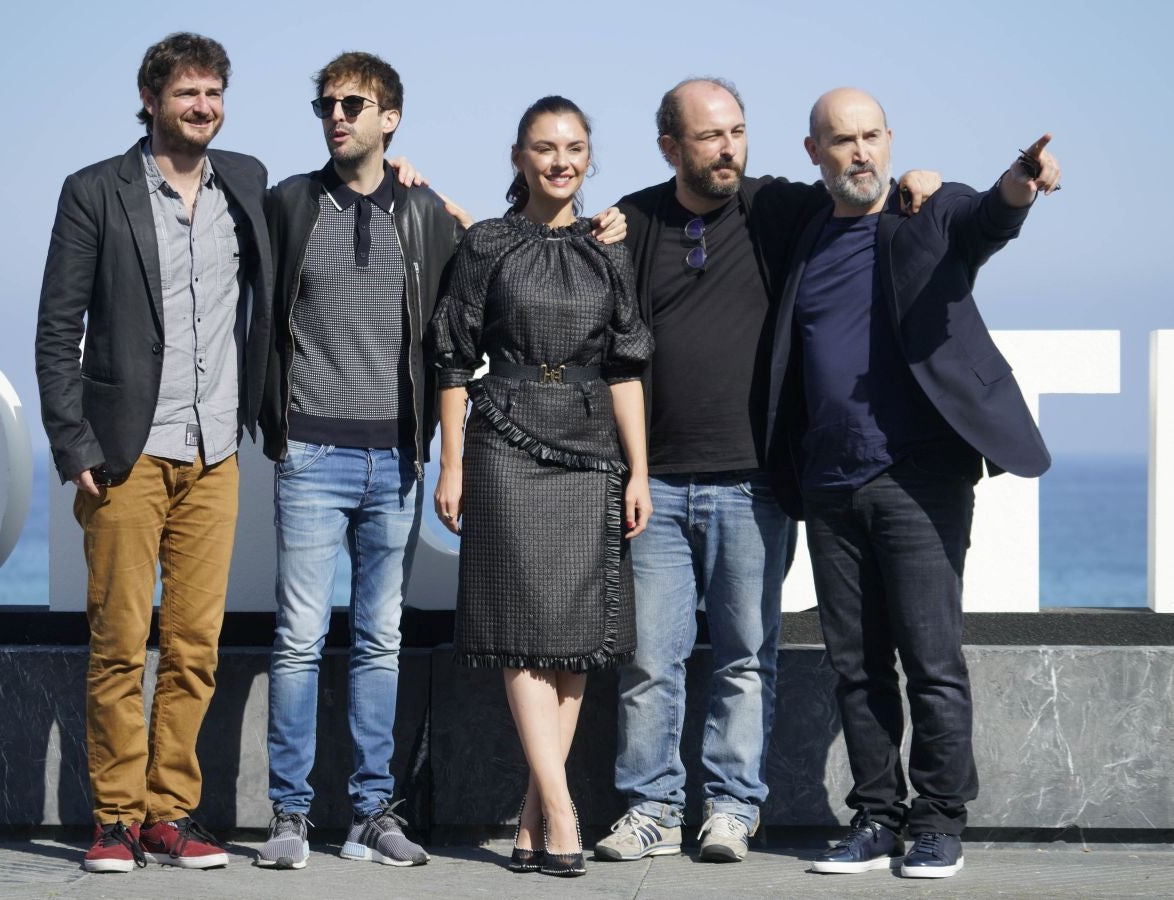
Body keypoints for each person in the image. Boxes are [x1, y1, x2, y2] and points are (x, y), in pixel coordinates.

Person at [254, 55, 628, 870]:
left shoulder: (424, 212)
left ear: (391, 117)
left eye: (354, 103)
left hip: (395, 454)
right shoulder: (289, 203)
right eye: (326, 103)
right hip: (311, 451)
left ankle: (370, 812)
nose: (336, 114)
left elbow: (491, 261)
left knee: (381, 640)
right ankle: (288, 813)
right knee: (298, 639)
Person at [600, 78, 940, 863]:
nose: (728, 148)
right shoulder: (636, 217)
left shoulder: (779, 207)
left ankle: (731, 807)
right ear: (670, 146)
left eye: (738, 132)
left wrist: (924, 182)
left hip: (754, 482)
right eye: (711, 135)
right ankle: (650, 808)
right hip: (657, 481)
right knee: (652, 660)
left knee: (746, 656)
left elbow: (860, 191)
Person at [764, 87, 1060, 879]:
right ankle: (874, 816)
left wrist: (1018, 184)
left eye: (870, 137)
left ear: (890, 141)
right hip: (828, 480)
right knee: (854, 665)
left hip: (918, 476)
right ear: (813, 152)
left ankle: (937, 821)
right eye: (841, 140)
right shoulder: (803, 233)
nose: (858, 152)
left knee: (930, 658)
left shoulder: (926, 211)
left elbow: (985, 218)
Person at [34, 33, 272, 873]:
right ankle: (115, 819)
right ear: (150, 99)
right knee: (119, 642)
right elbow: (58, 329)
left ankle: (172, 813)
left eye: (213, 94)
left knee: (195, 646)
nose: (202, 107)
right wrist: (73, 444)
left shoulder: (245, 182)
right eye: (187, 95)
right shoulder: (94, 192)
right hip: (127, 453)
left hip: (215, 453)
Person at [431, 95, 654, 878]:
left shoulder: (608, 250)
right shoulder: (486, 244)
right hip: (506, 442)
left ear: (590, 157)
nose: (561, 160)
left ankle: (532, 817)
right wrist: (452, 463)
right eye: (545, 147)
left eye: (575, 147)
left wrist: (640, 470)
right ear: (519, 158)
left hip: (592, 446)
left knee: (573, 643)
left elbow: (627, 365)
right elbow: (453, 359)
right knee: (522, 631)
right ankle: (563, 811)